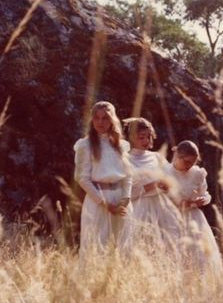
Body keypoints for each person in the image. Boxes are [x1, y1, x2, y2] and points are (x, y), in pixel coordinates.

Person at [74, 101, 133, 256]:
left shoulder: (120, 145)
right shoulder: (85, 145)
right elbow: (82, 178)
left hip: (120, 198)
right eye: (97, 118)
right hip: (98, 200)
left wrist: (126, 197)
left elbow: (128, 175)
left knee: (122, 246)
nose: (100, 122)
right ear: (92, 120)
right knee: (96, 246)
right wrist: (104, 203)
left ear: (112, 120)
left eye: (105, 118)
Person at [123, 117, 183, 252]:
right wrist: (150, 186)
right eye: (141, 137)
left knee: (167, 245)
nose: (146, 140)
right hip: (139, 208)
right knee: (139, 246)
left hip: (161, 207)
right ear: (132, 138)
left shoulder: (157, 157)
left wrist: (167, 185)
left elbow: (172, 180)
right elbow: (126, 192)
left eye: (149, 136)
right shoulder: (125, 159)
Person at [168, 140, 223, 275]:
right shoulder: (166, 172)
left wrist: (202, 200)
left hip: (194, 219)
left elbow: (205, 194)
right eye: (186, 162)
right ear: (177, 156)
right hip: (171, 217)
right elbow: (162, 198)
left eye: (192, 162)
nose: (189, 166)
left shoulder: (197, 174)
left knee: (198, 254)